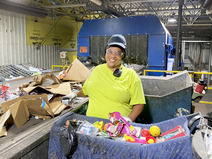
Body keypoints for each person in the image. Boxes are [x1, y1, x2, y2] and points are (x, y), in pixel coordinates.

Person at [76, 34, 146, 122]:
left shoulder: (131, 75)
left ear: (123, 56)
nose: (113, 56)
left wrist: (129, 119)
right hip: (92, 125)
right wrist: (73, 95)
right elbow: (86, 91)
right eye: (110, 51)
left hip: (117, 128)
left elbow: (139, 103)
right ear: (105, 53)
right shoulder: (97, 70)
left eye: (118, 53)